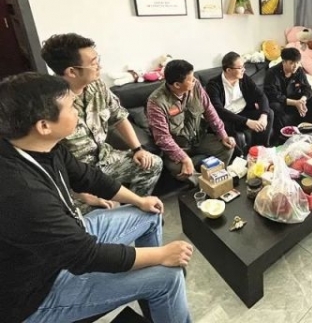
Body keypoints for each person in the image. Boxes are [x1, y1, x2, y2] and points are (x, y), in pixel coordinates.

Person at [0, 72, 193, 323]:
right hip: (38, 292)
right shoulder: (21, 192)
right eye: (71, 107)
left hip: (69, 242)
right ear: (44, 126)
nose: (76, 112)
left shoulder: (44, 146)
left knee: (149, 214)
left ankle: (155, 302)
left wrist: (139, 200)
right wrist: (161, 256)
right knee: (168, 277)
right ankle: (158, 287)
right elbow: (85, 256)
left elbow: (88, 177)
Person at [41, 34, 161, 208]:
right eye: (93, 63)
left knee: (152, 164)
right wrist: (81, 194)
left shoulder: (97, 85)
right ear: (72, 72)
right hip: (74, 178)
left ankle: (135, 211)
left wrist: (138, 149)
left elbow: (118, 116)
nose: (99, 66)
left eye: (98, 60)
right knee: (89, 214)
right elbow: (45, 159)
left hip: (104, 158)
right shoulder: (49, 103)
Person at [147, 59, 236, 183]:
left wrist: (223, 134)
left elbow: (209, 111)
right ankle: (204, 186)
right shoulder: (156, 102)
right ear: (177, 85)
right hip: (179, 146)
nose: (194, 81)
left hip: (199, 138)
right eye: (191, 79)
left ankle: (216, 180)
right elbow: (163, 138)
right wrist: (184, 158)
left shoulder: (196, 86)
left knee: (227, 148)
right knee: (179, 169)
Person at [206, 51, 274, 150]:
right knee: (227, 129)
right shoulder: (213, 85)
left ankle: (260, 149)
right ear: (228, 70)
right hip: (228, 118)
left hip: (244, 112)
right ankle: (241, 156)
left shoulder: (243, 78)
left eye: (243, 66)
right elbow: (218, 110)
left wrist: (263, 115)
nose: (244, 69)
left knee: (269, 113)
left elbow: (261, 96)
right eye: (240, 67)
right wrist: (247, 122)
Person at [264, 47, 312, 138]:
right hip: (280, 102)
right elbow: (273, 95)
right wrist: (295, 103)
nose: (295, 66)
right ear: (284, 62)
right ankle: (285, 136)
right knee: (275, 107)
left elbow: (307, 88)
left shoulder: (299, 71)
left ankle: (309, 131)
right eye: (292, 63)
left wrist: (302, 100)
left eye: (297, 62)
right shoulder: (272, 73)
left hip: (294, 99)